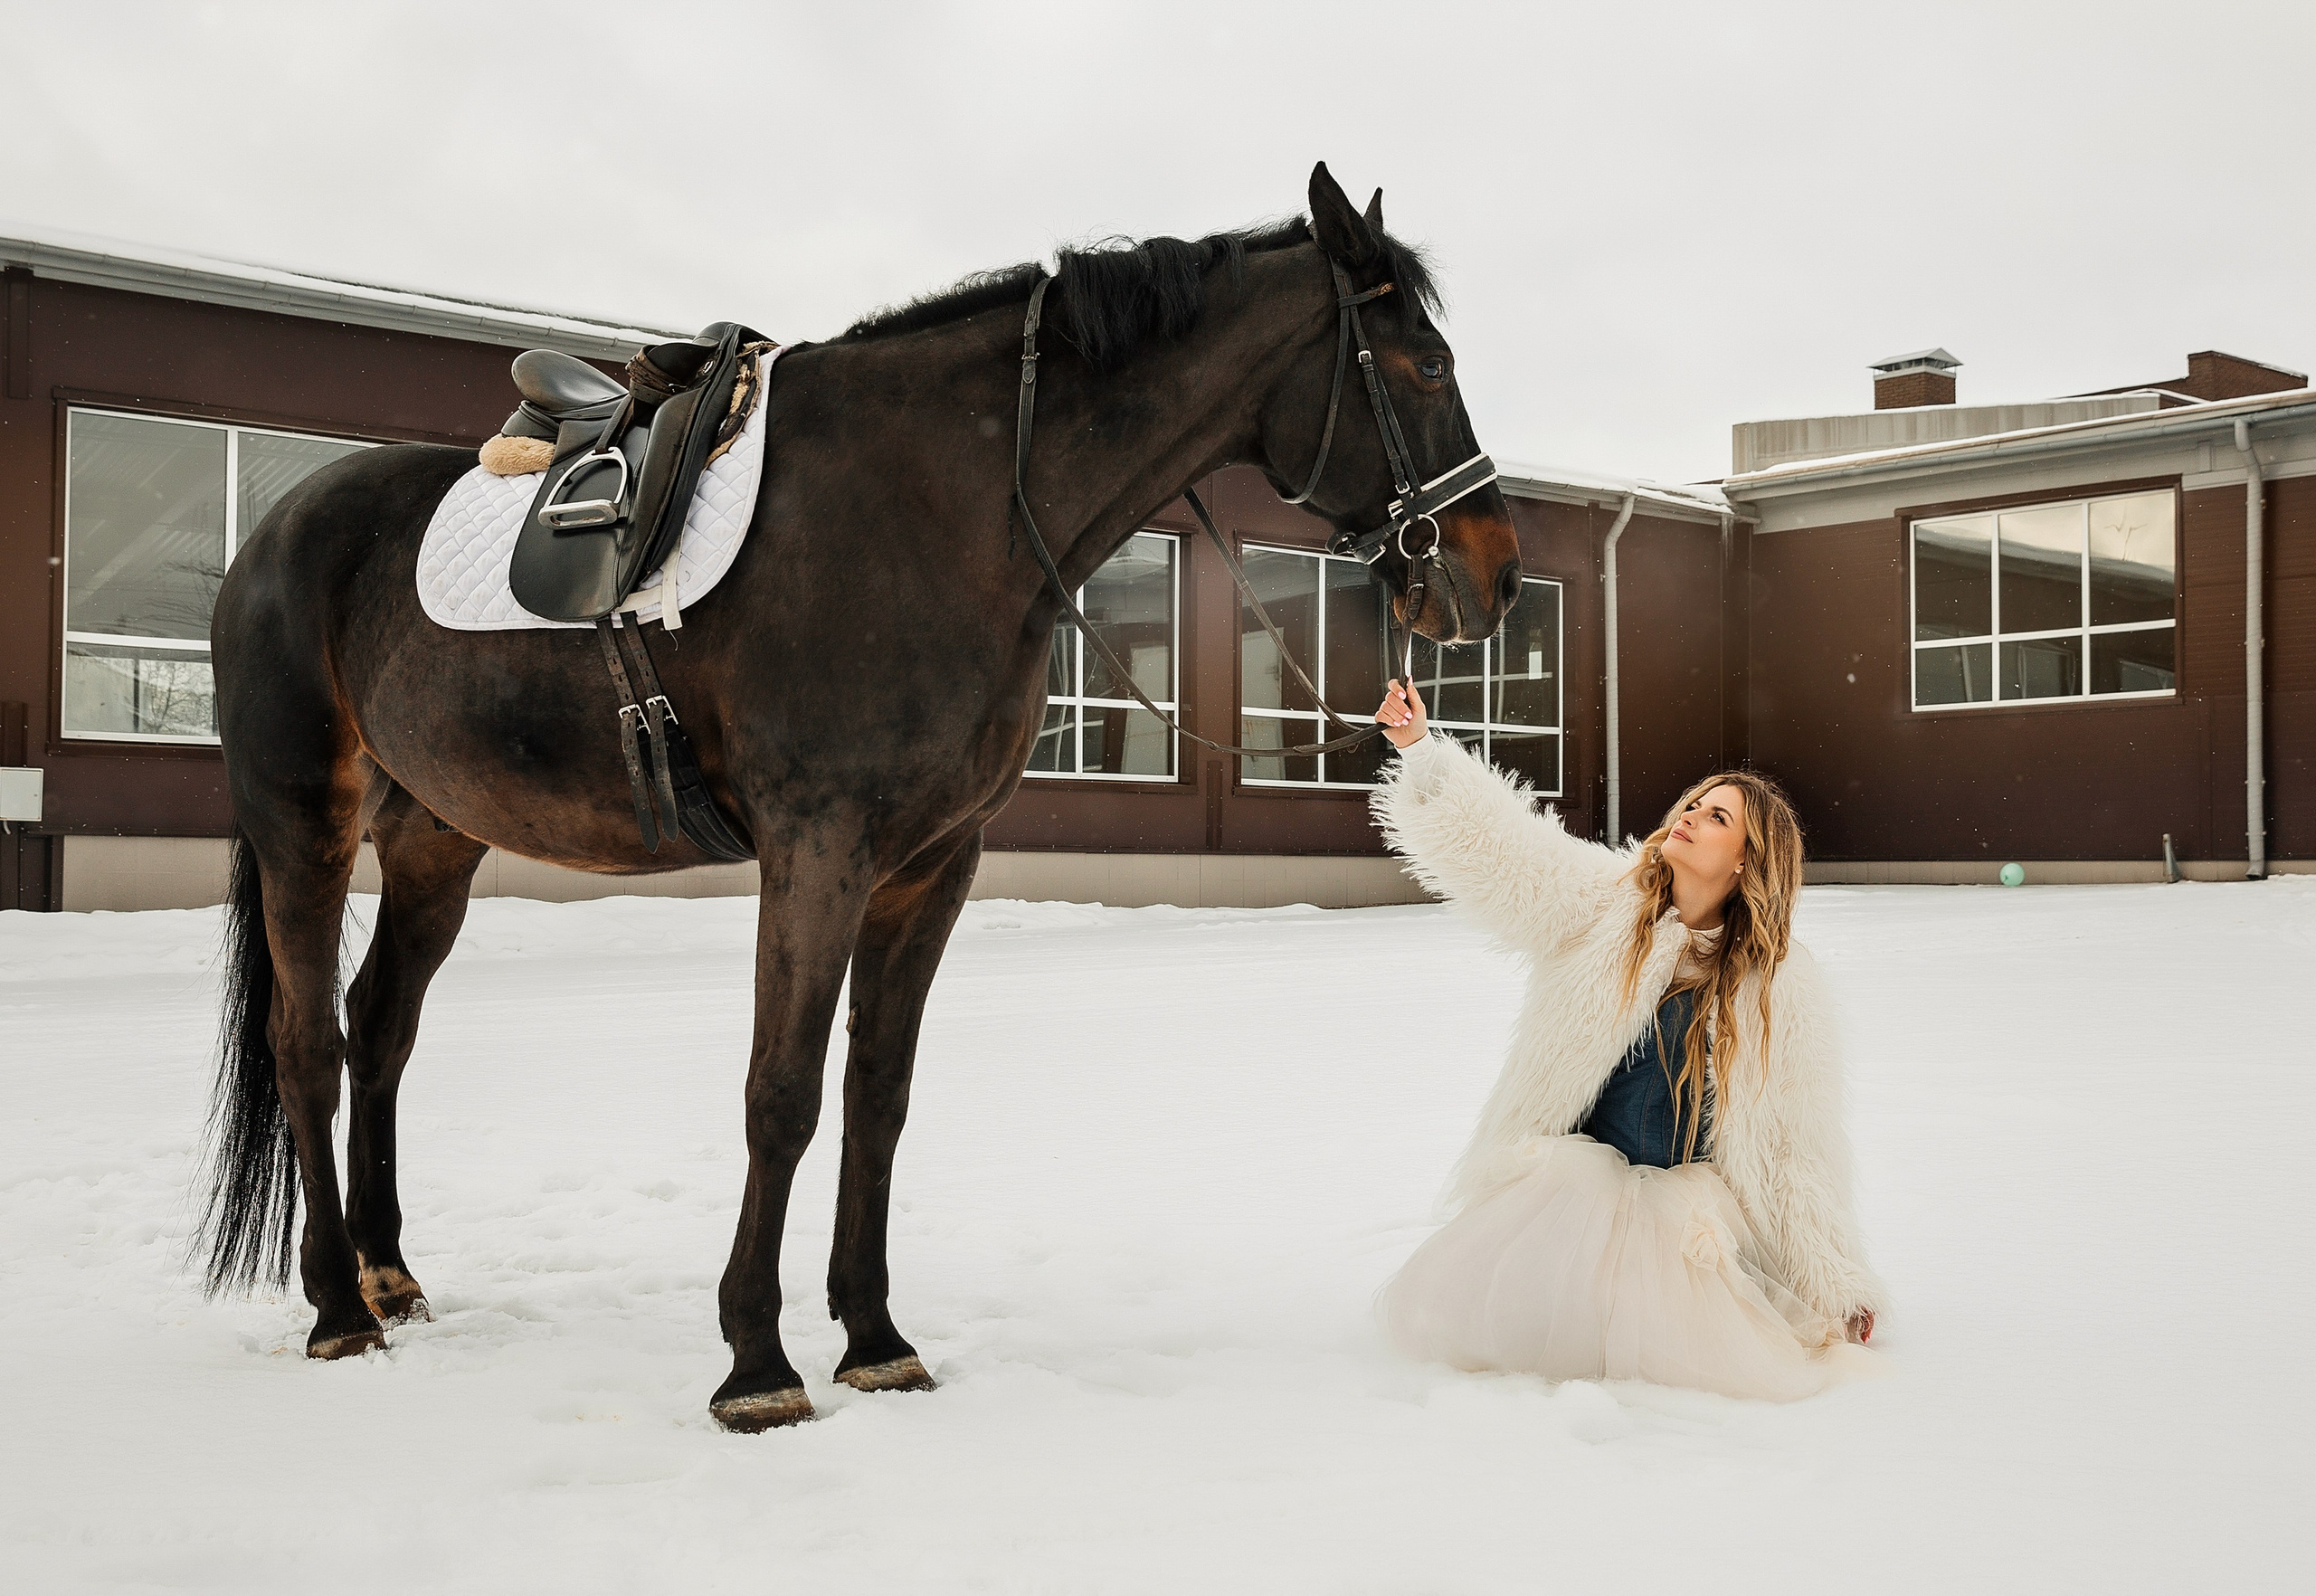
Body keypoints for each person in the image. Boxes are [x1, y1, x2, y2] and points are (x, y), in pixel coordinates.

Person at [1367, 678, 1884, 1401]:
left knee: (1704, 1358)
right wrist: (1423, 753)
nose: (1691, 817)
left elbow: (1796, 1148)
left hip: (1684, 1215)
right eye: (1694, 805)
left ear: (1746, 860)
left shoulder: (1780, 987)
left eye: (1718, 818)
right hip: (1571, 1194)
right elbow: (1508, 854)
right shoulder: (1606, 903)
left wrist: (1831, 1278)